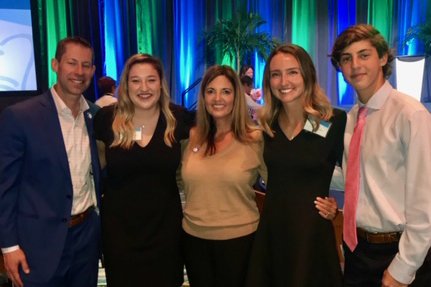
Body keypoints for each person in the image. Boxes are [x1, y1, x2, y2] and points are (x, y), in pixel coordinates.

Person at [330, 24, 431, 287]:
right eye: (346, 58)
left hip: (399, 251)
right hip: (356, 250)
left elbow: (425, 200)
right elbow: (354, 177)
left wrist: (404, 267)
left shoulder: (411, 114)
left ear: (383, 58)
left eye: (364, 55)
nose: (355, 65)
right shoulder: (352, 117)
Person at [0, 36, 101, 287]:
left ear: (93, 70)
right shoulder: (20, 116)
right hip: (38, 244)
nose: (79, 72)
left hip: (87, 238)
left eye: (86, 65)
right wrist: (8, 246)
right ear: (55, 64)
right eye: (72, 63)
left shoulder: (96, 116)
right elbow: (5, 188)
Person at [246, 44, 345, 287]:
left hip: (312, 236)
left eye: (292, 72)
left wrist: (337, 207)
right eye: (275, 74)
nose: (283, 81)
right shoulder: (268, 126)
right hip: (274, 232)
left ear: (307, 75)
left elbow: (357, 176)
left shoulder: (332, 121)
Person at [94, 53, 191, 286]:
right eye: (135, 80)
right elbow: (93, 170)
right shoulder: (107, 119)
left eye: (151, 80)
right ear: (126, 85)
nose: (144, 87)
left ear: (161, 83)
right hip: (119, 233)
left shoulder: (178, 118)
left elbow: (191, 171)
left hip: (166, 231)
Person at [180, 65, 266, 287]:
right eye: (211, 91)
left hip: (240, 242)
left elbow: (282, 184)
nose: (217, 98)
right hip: (194, 240)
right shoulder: (191, 137)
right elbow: (178, 181)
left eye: (226, 91)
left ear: (237, 96)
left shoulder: (255, 138)